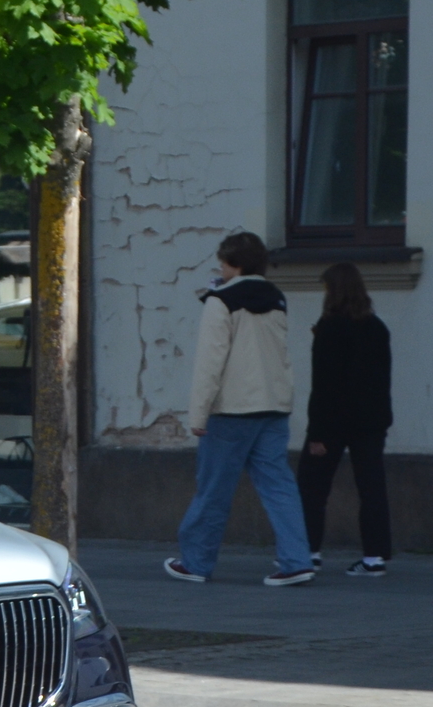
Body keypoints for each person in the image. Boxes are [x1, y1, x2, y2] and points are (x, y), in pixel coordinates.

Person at [166, 232, 315, 587]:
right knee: (279, 487)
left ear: (235, 264)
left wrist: (198, 414)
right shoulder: (277, 298)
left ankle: (197, 562)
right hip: (273, 406)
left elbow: (210, 363)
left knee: (214, 490)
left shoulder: (220, 301)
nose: (220, 267)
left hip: (231, 410)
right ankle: (297, 560)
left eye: (223, 262)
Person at [299, 261, 393, 576]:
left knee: (312, 487)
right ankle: (374, 558)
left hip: (333, 422)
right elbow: (381, 379)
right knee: (372, 488)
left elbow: (324, 385)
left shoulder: (329, 328)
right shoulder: (377, 327)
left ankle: (308, 552)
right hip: (370, 422)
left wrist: (317, 433)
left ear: (333, 292)